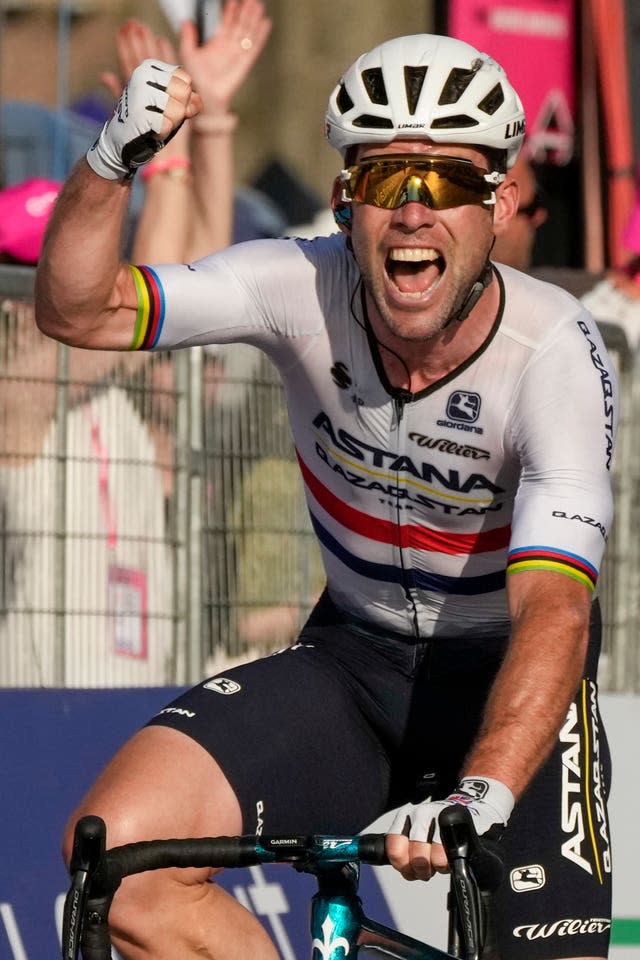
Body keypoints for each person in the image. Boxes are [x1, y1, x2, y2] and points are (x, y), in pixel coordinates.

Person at [35, 32, 617, 960]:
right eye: (388, 180)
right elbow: (77, 311)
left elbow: (554, 604)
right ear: (348, 201)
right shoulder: (295, 285)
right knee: (118, 861)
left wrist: (486, 794)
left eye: (450, 183)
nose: (415, 213)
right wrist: (111, 163)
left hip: (510, 678)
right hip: (353, 661)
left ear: (502, 203)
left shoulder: (553, 352)